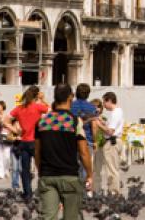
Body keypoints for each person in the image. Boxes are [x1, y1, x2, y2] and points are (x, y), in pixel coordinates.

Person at [35, 83, 93, 220]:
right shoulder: (74, 121)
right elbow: (84, 152)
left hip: (47, 176)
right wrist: (90, 174)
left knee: (48, 217)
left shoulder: (42, 121)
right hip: (69, 176)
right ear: (70, 97)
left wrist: (41, 171)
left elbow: (37, 151)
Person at [8, 85, 49, 201]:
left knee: (24, 170)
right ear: (36, 96)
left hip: (24, 142)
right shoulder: (38, 107)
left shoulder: (19, 108)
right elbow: (53, 110)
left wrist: (15, 130)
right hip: (36, 142)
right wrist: (42, 100)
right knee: (41, 168)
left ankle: (28, 194)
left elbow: (5, 120)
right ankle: (44, 192)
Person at [94, 91, 123, 194]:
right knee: (112, 168)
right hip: (114, 141)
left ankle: (114, 192)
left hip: (112, 142)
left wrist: (99, 124)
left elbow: (110, 131)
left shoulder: (115, 113)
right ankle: (113, 191)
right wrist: (104, 123)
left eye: (104, 102)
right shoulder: (117, 112)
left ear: (110, 101)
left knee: (112, 170)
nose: (104, 105)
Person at [71, 83, 97, 185]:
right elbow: (94, 126)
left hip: (72, 139)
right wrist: (95, 141)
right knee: (86, 166)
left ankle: (74, 189)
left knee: (73, 166)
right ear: (88, 94)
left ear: (76, 93)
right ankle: (85, 192)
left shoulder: (71, 106)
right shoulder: (91, 107)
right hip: (87, 139)